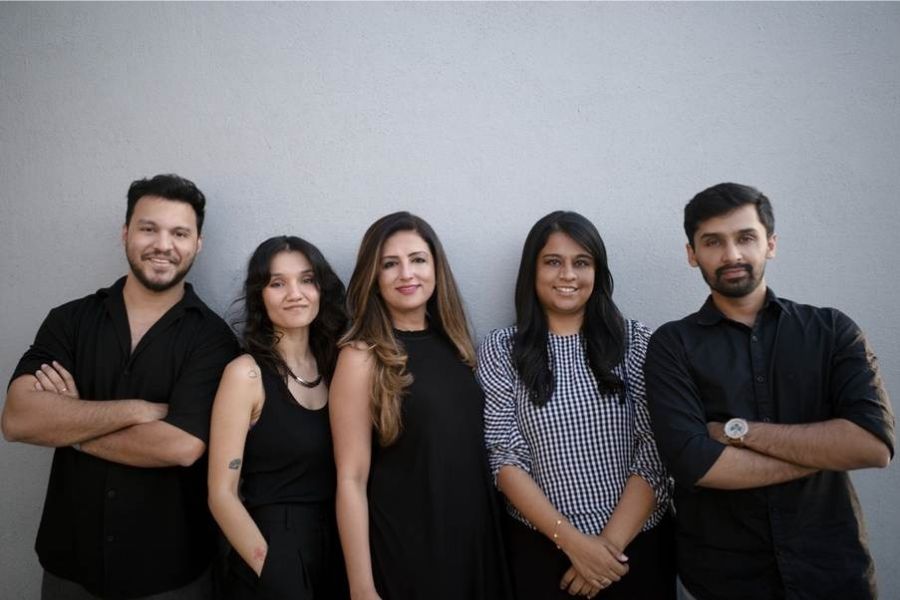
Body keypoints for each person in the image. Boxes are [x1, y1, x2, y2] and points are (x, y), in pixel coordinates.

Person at [644, 183, 894, 600]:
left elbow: (871, 445)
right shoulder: (673, 345)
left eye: (746, 237)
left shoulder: (832, 331)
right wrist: (823, 452)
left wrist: (736, 431)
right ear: (692, 254)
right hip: (724, 579)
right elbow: (697, 465)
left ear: (770, 244)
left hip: (833, 571)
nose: (732, 255)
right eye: (713, 242)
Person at [1, 174, 240, 599]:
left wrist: (69, 428)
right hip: (69, 569)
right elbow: (18, 420)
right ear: (126, 233)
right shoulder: (69, 321)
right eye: (149, 228)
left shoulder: (213, 339)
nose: (163, 244)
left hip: (169, 576)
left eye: (179, 233)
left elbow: (181, 446)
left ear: (197, 243)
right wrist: (136, 410)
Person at [477, 211, 675, 600]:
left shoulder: (636, 342)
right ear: (532, 271)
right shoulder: (501, 350)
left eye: (581, 262)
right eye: (553, 262)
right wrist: (574, 544)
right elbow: (504, 457)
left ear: (597, 272)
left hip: (636, 549)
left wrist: (605, 551)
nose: (568, 274)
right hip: (543, 553)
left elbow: (655, 451)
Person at [329, 211, 511, 600]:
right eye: (390, 264)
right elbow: (350, 479)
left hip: (473, 544)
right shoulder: (361, 356)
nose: (406, 274)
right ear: (373, 277)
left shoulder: (458, 344)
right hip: (408, 552)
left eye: (417, 259)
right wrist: (361, 587)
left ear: (436, 267)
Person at [208, 235, 349, 600]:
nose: (295, 294)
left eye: (306, 280)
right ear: (260, 296)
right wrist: (272, 569)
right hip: (272, 549)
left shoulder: (337, 368)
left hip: (336, 548)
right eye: (277, 283)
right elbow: (221, 494)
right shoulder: (246, 374)